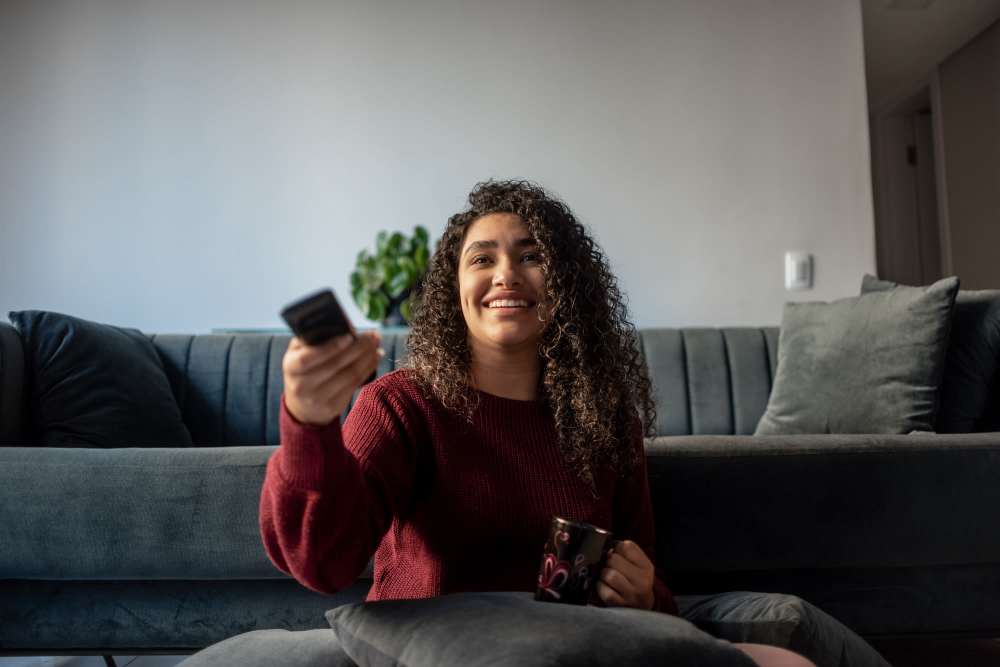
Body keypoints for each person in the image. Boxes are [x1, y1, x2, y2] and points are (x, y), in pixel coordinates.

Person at [258, 180, 817, 667]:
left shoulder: (606, 418)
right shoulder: (401, 405)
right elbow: (321, 564)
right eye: (482, 259)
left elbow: (643, 575)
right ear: (454, 291)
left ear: (565, 283)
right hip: (432, 651)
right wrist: (308, 424)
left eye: (531, 256)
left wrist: (646, 594)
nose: (506, 275)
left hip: (572, 648)